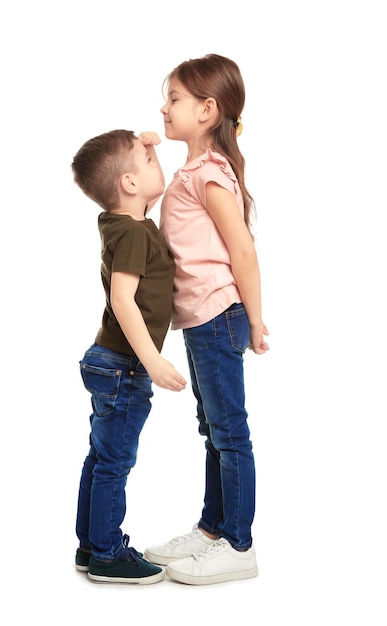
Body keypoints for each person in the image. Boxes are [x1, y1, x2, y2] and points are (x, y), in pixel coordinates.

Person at [143, 54, 269, 585]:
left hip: (219, 314)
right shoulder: (191, 171)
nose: (164, 107)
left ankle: (238, 543)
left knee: (228, 431)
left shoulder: (209, 173)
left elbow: (242, 248)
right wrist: (142, 151)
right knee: (212, 429)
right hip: (202, 320)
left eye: (174, 98)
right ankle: (213, 529)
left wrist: (257, 319)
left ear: (207, 109)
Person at [71, 129, 187, 585]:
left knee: (100, 459)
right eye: (149, 160)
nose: (157, 161)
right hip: (125, 365)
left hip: (110, 362)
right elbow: (123, 300)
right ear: (129, 185)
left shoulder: (123, 223)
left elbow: (142, 194)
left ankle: (89, 544)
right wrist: (153, 362)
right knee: (114, 463)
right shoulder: (135, 233)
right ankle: (106, 553)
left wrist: (147, 150)